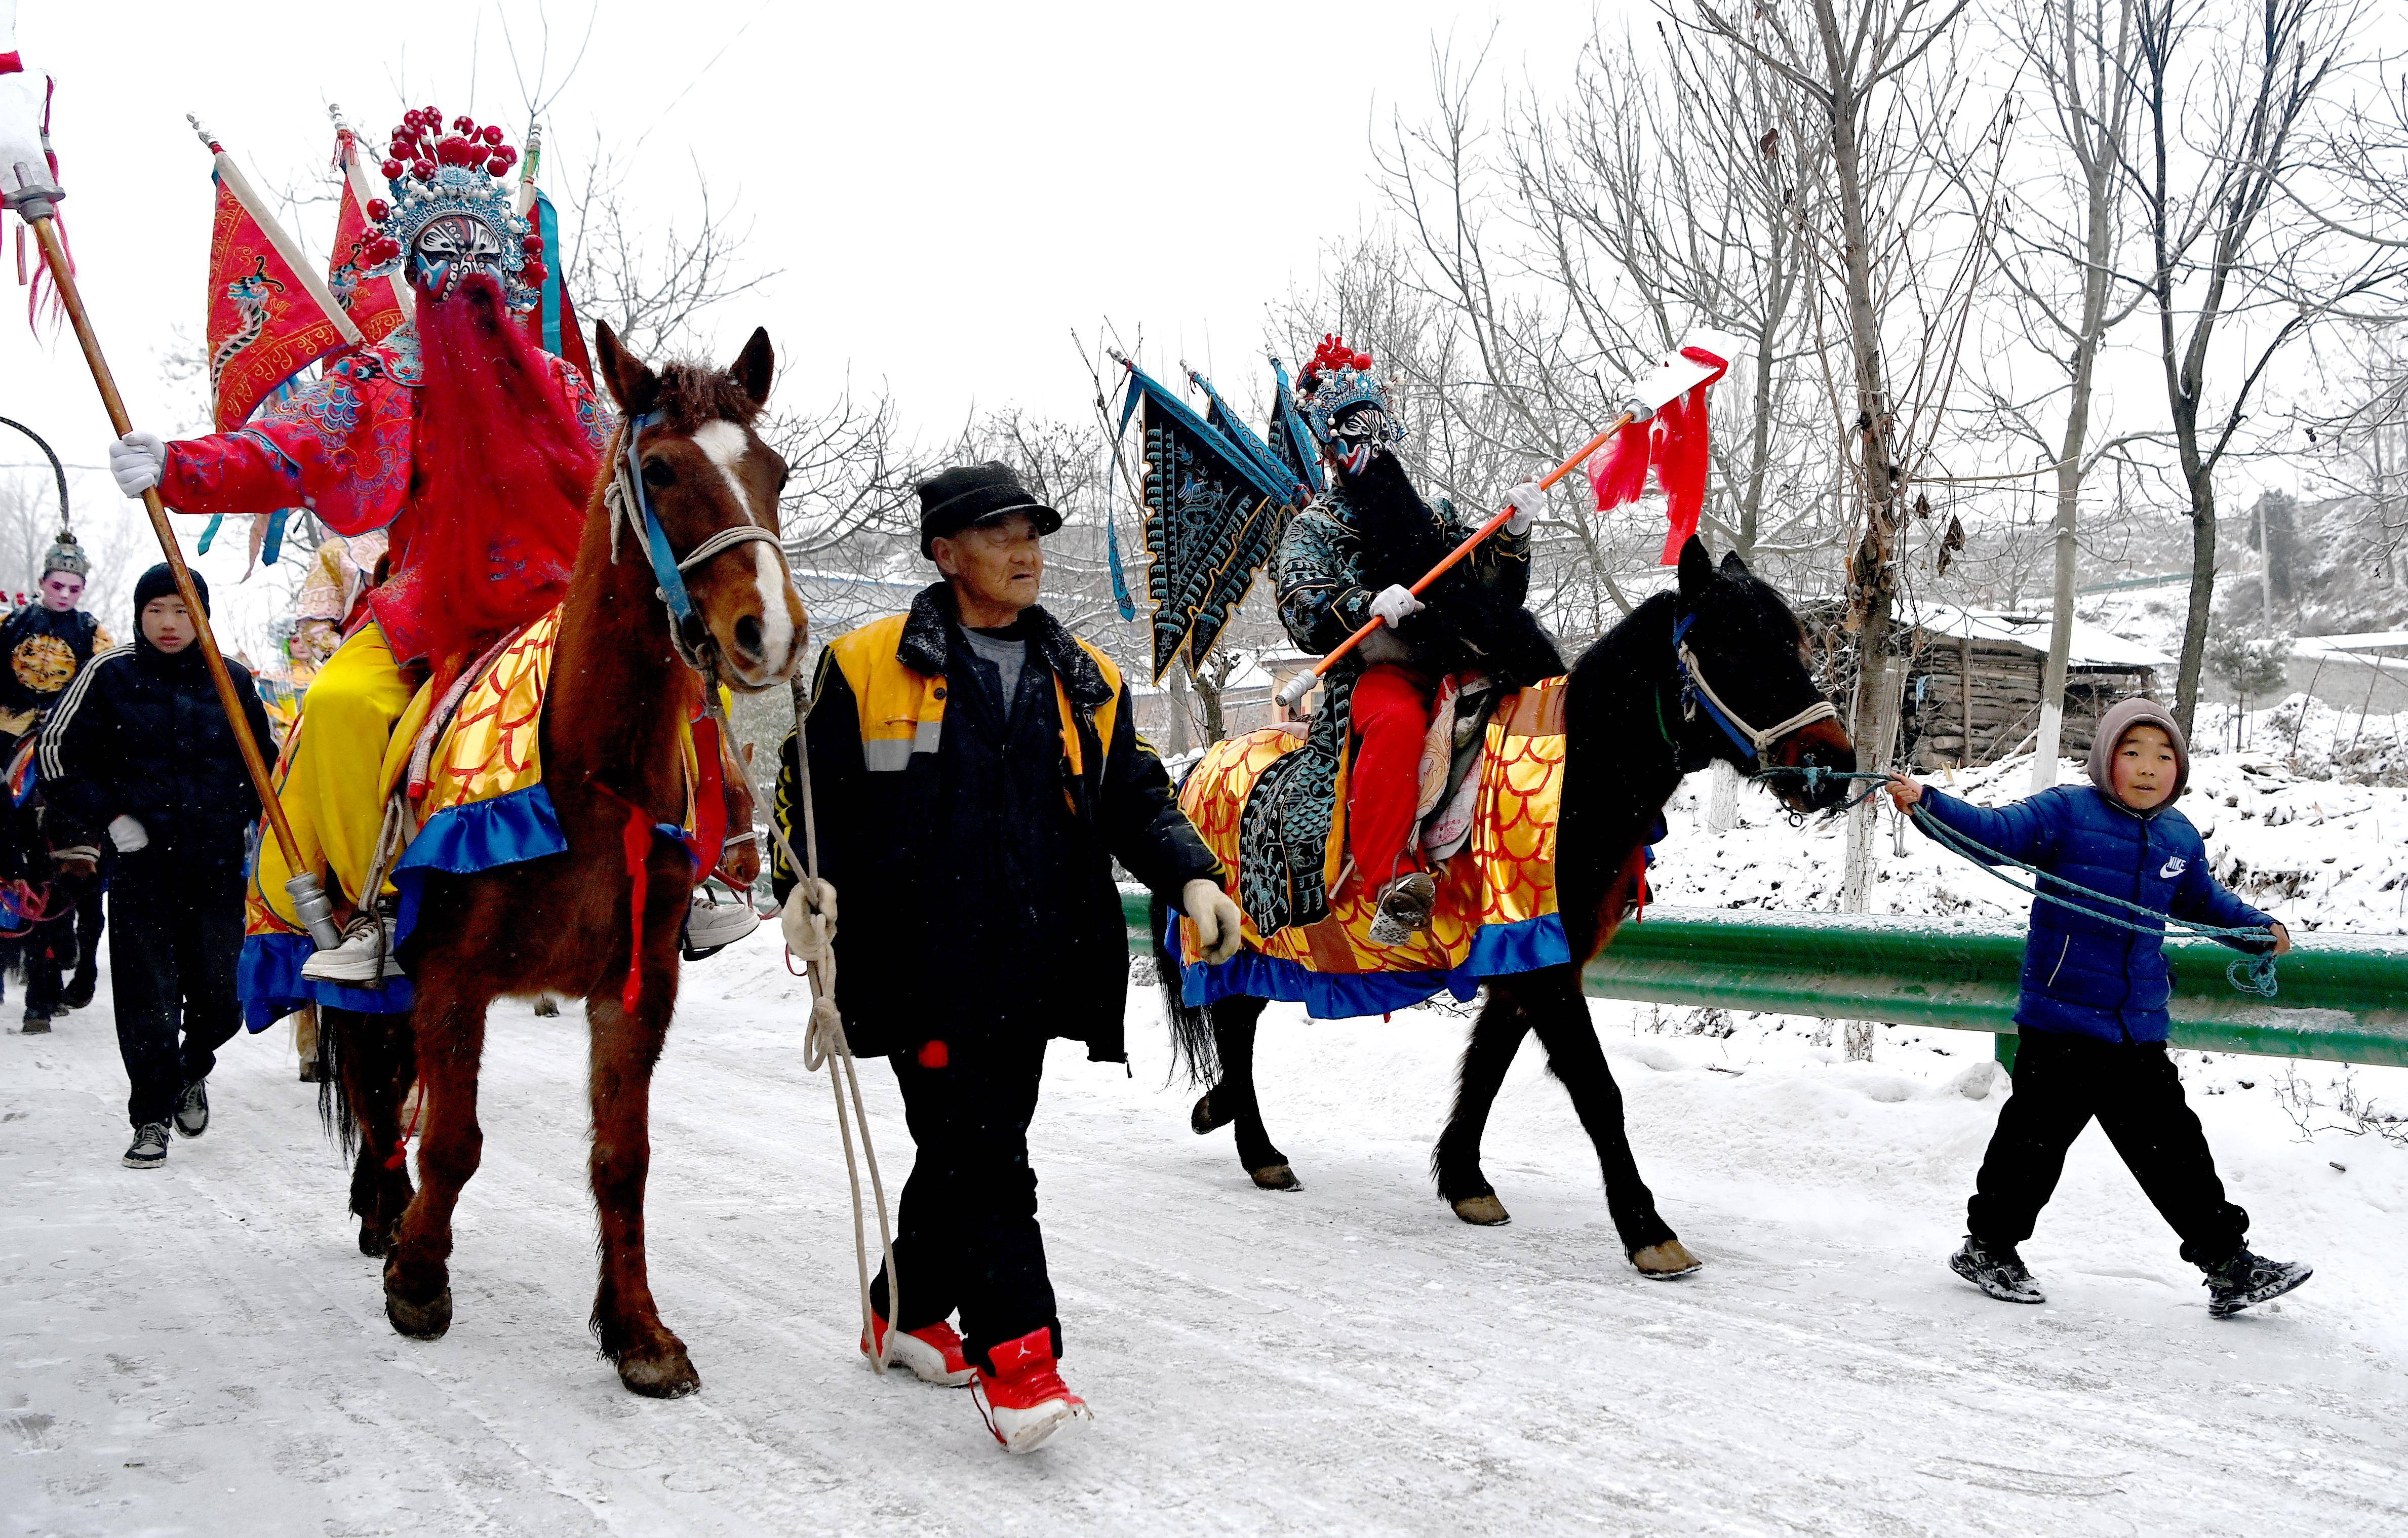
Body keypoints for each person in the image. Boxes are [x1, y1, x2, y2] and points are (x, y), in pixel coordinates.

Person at [771, 460, 1242, 1454]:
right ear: (945, 556)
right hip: (913, 967)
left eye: (1032, 532)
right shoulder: (865, 667)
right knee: (989, 1159)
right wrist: (801, 890)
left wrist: (1193, 877)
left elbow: (1137, 801)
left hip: (1032, 969)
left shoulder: (1087, 680)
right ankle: (1021, 1359)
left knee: (960, 1155)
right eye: (998, 535)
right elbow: (806, 794)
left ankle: (899, 1312)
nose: (1025, 551)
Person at [105, 106, 606, 990]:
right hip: (437, 604)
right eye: (447, 261)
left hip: (562, 600)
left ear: (511, 276)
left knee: (672, 673)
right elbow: (290, 448)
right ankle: (365, 902)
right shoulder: (386, 376)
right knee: (336, 705)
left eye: (484, 259)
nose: (469, 277)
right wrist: (178, 466)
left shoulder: (563, 383)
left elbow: (629, 477)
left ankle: (708, 862)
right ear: (417, 275)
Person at [1885, 696, 2312, 1318]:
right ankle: (1989, 1247)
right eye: (2132, 753)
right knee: (2032, 1147)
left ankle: (2228, 1264)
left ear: (2180, 767)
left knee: (2176, 1149)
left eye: (2164, 756)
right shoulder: (2066, 813)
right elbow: (1996, 833)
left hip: (2136, 1026)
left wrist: (2256, 929)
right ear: (2105, 759)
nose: (2147, 768)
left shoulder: (2177, 835)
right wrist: (1928, 803)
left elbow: (2202, 901)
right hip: (2061, 1022)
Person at [1266, 335, 1561, 942]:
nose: (1368, 449)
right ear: (1331, 448)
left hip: (1461, 659)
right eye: (1353, 437)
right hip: (1378, 672)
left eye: (1376, 434)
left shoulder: (1436, 519)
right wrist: (1361, 604)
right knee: (1399, 723)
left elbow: (1492, 594)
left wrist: (1513, 535)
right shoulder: (1314, 528)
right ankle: (1390, 880)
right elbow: (1299, 603)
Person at [38, 565, 275, 1171]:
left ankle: (189, 1069)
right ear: (140, 615)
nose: (169, 624)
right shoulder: (112, 675)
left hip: (219, 865)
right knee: (149, 997)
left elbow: (268, 772)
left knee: (224, 997)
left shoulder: (235, 682)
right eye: (156, 611)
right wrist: (112, 817)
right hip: (145, 866)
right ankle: (150, 1117)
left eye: (181, 610)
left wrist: (265, 828)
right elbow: (57, 755)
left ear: (202, 616)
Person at [0, 529, 111, 1027]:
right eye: (58, 585)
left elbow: (102, 689)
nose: (65, 594)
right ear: (43, 581)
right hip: (10, 730)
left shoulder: (92, 633)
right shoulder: (12, 623)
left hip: (65, 739)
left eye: (73, 587)